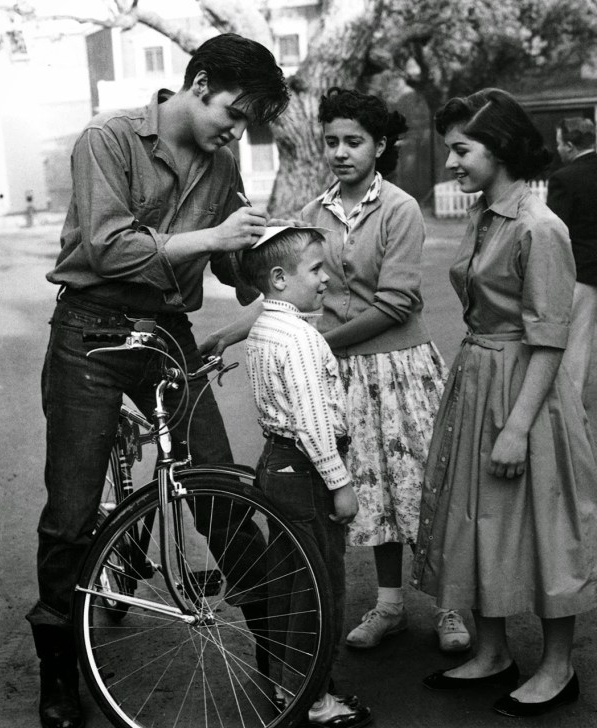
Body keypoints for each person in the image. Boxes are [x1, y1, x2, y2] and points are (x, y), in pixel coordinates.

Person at [27, 33, 289, 728]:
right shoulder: (107, 139)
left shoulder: (221, 159)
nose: (237, 130)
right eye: (234, 111)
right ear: (200, 83)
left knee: (218, 483)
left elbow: (234, 269)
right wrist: (212, 239)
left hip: (165, 329)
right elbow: (107, 247)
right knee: (73, 508)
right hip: (90, 330)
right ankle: (59, 672)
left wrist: (272, 250)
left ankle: (278, 656)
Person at [413, 88, 597, 718]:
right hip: (477, 379)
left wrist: (517, 428)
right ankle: (491, 653)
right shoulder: (487, 214)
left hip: (526, 393)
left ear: (500, 148)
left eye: (462, 150)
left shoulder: (540, 227)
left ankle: (557, 667)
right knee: (475, 520)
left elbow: (550, 336)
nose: (452, 163)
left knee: (544, 528)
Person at [299, 87, 471, 653]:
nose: (341, 152)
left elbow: (396, 303)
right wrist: (235, 329)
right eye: (332, 142)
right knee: (372, 491)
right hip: (345, 376)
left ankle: (449, 606)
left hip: (400, 368)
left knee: (422, 488)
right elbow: (295, 289)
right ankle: (390, 605)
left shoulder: (399, 207)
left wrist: (325, 343)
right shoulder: (313, 213)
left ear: (379, 146)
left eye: (355, 141)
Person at [240, 224, 372, 728]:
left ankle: (286, 680)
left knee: (291, 583)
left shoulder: (265, 329)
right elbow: (313, 421)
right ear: (278, 278)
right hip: (307, 470)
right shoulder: (298, 338)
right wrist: (339, 483)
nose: (325, 278)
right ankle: (312, 700)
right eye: (315, 269)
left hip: (279, 464)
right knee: (321, 589)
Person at [547, 117, 597, 403]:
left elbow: (556, 230)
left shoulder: (564, 179)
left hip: (582, 270)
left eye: (558, 143)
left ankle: (572, 404)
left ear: (568, 145)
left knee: (577, 342)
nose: (557, 149)